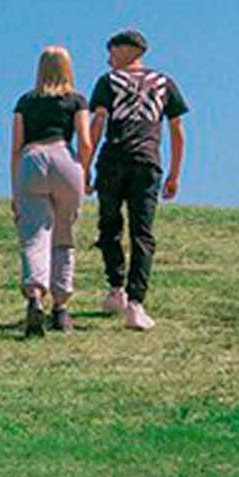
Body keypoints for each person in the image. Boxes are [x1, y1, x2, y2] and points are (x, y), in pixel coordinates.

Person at [87, 29, 189, 331]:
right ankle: (135, 302)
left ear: (127, 50)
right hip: (147, 162)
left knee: (109, 225)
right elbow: (177, 130)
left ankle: (117, 287)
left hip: (114, 160)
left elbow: (97, 124)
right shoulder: (164, 83)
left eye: (112, 52)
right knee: (142, 232)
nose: (108, 59)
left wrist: (85, 165)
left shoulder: (109, 82)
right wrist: (174, 173)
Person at [10, 46, 93, 337]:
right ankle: (61, 307)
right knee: (64, 235)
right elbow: (85, 141)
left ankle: (34, 296)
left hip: (32, 160)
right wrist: (84, 171)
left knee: (34, 235)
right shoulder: (76, 100)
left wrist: (15, 190)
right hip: (64, 158)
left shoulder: (25, 101)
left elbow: (16, 147)